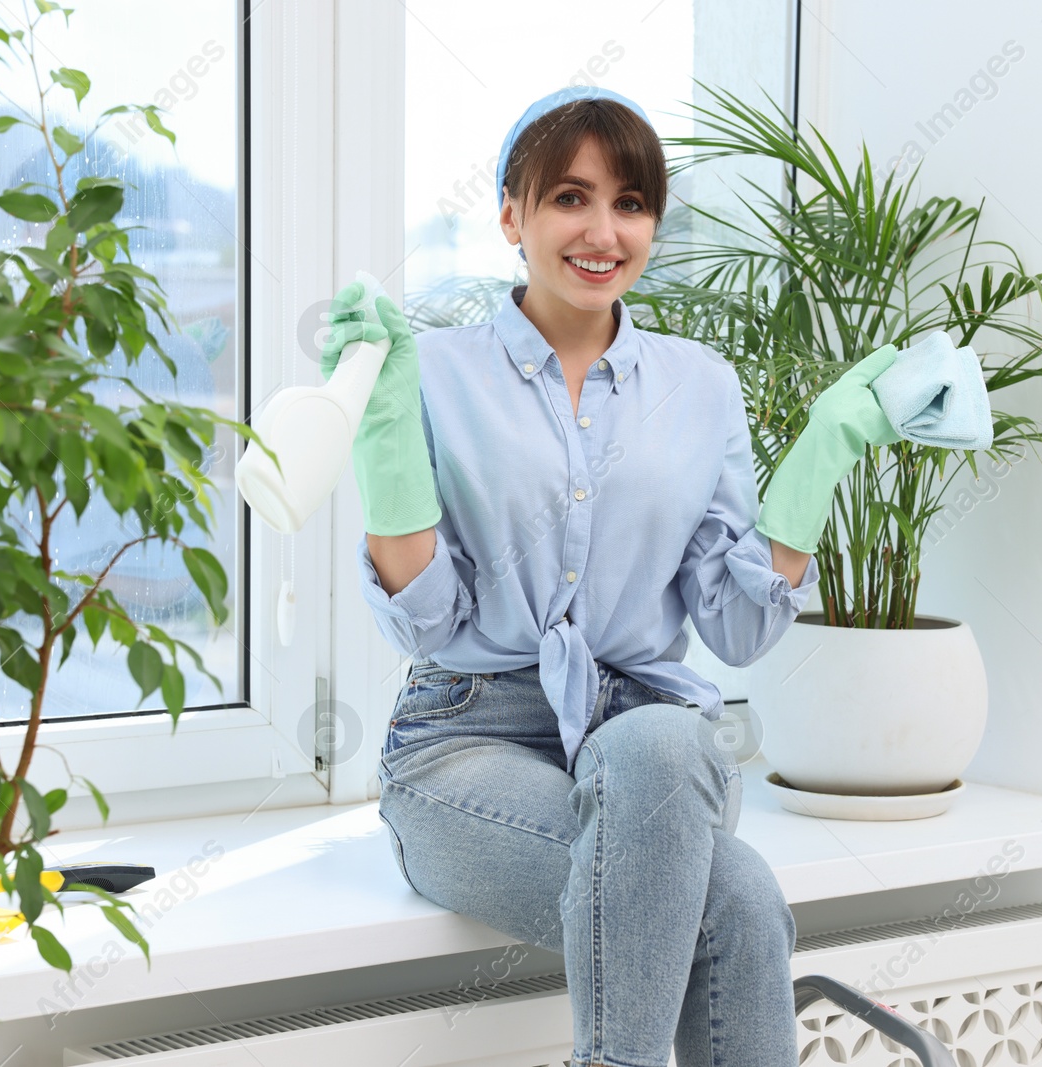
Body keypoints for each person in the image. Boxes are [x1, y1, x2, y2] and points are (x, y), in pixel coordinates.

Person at [320, 86, 904, 1067]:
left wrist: (820, 455)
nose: (603, 230)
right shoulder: (432, 372)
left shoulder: (700, 384)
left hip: (647, 749)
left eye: (630, 202)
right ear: (512, 213)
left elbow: (737, 631)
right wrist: (383, 436)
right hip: (464, 741)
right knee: (742, 905)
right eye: (570, 198)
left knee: (664, 741)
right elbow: (428, 624)